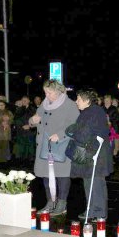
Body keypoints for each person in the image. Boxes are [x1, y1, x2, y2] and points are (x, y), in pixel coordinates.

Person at [29, 80, 79, 216]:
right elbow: (35, 119)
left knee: (62, 175)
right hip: (44, 146)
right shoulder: (44, 104)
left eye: (49, 92)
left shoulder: (69, 105)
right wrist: (32, 121)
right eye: (45, 92)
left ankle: (62, 205)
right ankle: (50, 202)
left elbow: (75, 125)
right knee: (46, 174)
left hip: (61, 145)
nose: (46, 95)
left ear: (57, 92)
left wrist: (61, 134)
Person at [65, 89, 113, 220]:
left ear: (86, 101)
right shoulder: (93, 111)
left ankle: (97, 212)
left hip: (94, 154)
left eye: (79, 99)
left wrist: (72, 132)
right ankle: (93, 211)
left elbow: (84, 134)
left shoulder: (91, 113)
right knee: (91, 182)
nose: (76, 102)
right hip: (93, 153)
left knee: (95, 183)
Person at [13, 96, 36, 163]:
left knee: (30, 146)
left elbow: (36, 120)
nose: (24, 101)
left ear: (29, 101)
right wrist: (22, 126)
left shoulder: (33, 109)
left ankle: (30, 160)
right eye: (23, 100)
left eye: (26, 100)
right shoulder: (18, 110)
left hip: (30, 131)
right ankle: (21, 161)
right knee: (21, 146)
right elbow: (16, 120)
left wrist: (30, 125)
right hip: (21, 131)